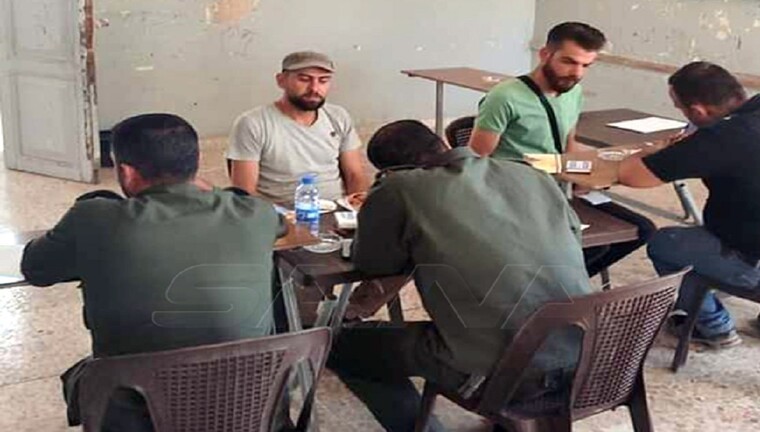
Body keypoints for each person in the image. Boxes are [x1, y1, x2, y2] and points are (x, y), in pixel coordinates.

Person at [21, 114, 286, 430]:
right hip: (247, 405)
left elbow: (35, 269)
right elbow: (278, 224)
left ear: (126, 171)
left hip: (137, 411)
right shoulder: (256, 213)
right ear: (196, 164)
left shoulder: (93, 218)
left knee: (85, 374)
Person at [328, 120, 595, 432]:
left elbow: (374, 263)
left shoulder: (400, 188)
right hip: (583, 355)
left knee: (341, 346)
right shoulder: (530, 174)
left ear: (392, 171)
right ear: (443, 144)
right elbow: (574, 236)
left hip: (504, 373)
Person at [467, 21, 656, 279]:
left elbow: (569, 142)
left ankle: (559, 285)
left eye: (586, 65)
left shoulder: (573, 92)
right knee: (586, 243)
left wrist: (583, 177)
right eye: (569, 61)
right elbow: (476, 161)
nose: (576, 73)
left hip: (560, 186)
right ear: (545, 54)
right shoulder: (504, 97)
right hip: (520, 192)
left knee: (641, 230)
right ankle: (552, 284)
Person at [618, 62, 760, 348]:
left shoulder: (722, 138)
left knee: (665, 243)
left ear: (698, 111)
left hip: (755, 261)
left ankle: (713, 326)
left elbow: (632, 175)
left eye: (680, 108)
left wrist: (657, 151)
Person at [227, 50, 370, 205]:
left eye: (323, 81)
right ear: (281, 80)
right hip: (281, 215)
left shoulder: (338, 116)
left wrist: (357, 208)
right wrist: (280, 217)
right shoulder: (253, 123)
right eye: (304, 79)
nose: (314, 89)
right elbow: (245, 193)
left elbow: (354, 175)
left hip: (338, 209)